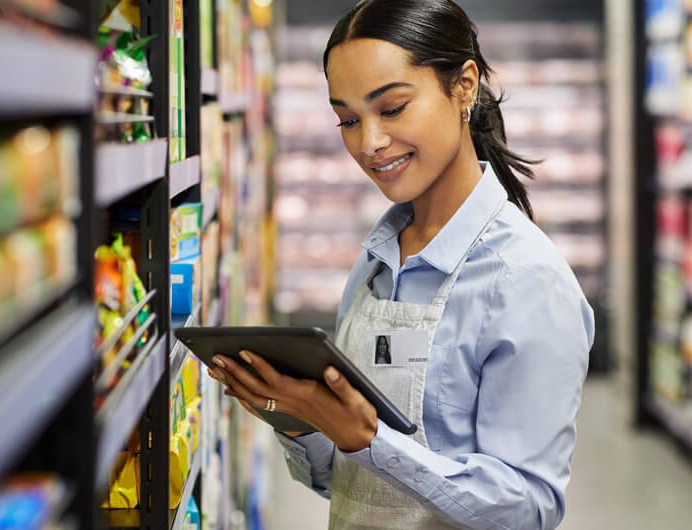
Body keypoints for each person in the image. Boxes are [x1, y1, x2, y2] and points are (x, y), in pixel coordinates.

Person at [206, 0, 595, 528]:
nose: (369, 143)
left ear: (464, 86)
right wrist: (299, 418)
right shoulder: (375, 263)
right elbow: (344, 481)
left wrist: (367, 440)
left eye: (391, 109)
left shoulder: (525, 279)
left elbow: (527, 510)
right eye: (347, 119)